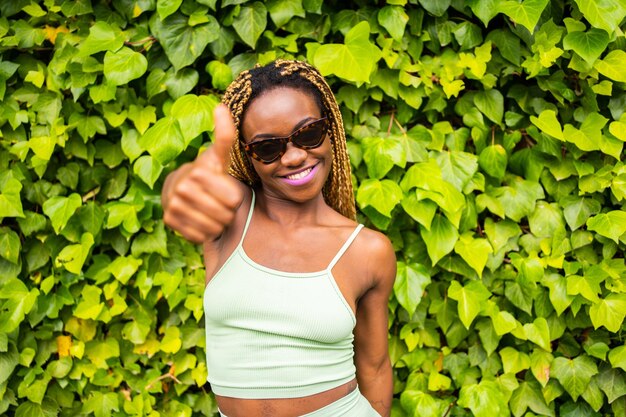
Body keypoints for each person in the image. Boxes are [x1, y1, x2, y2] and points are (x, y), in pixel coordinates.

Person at [161, 60, 396, 417]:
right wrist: (179, 186)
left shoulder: (367, 250)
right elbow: (186, 189)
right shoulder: (233, 216)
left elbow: (375, 367)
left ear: (330, 129)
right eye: (268, 148)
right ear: (246, 153)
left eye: (309, 133)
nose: (295, 156)